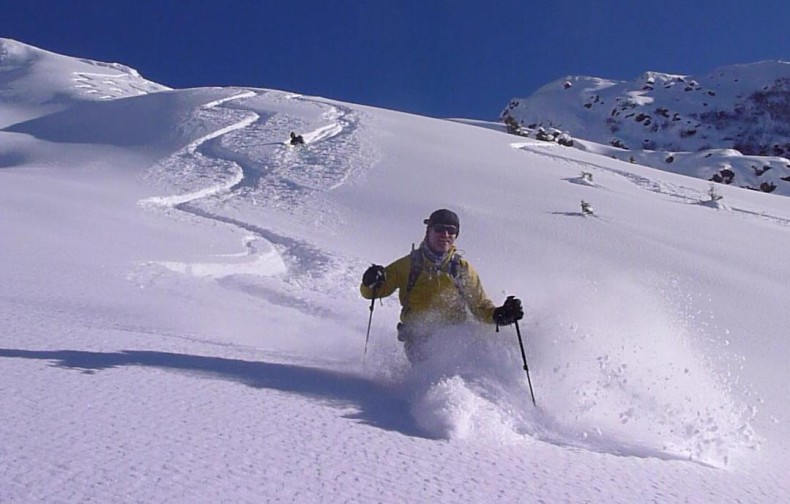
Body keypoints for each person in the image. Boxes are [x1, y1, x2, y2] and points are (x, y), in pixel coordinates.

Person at [360, 208, 524, 362]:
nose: (445, 235)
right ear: (428, 231)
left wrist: (499, 315)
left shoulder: (462, 268)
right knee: (428, 371)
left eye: (451, 231)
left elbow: (480, 306)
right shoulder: (408, 265)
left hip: (455, 337)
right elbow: (373, 292)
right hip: (417, 339)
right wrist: (370, 282)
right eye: (439, 229)